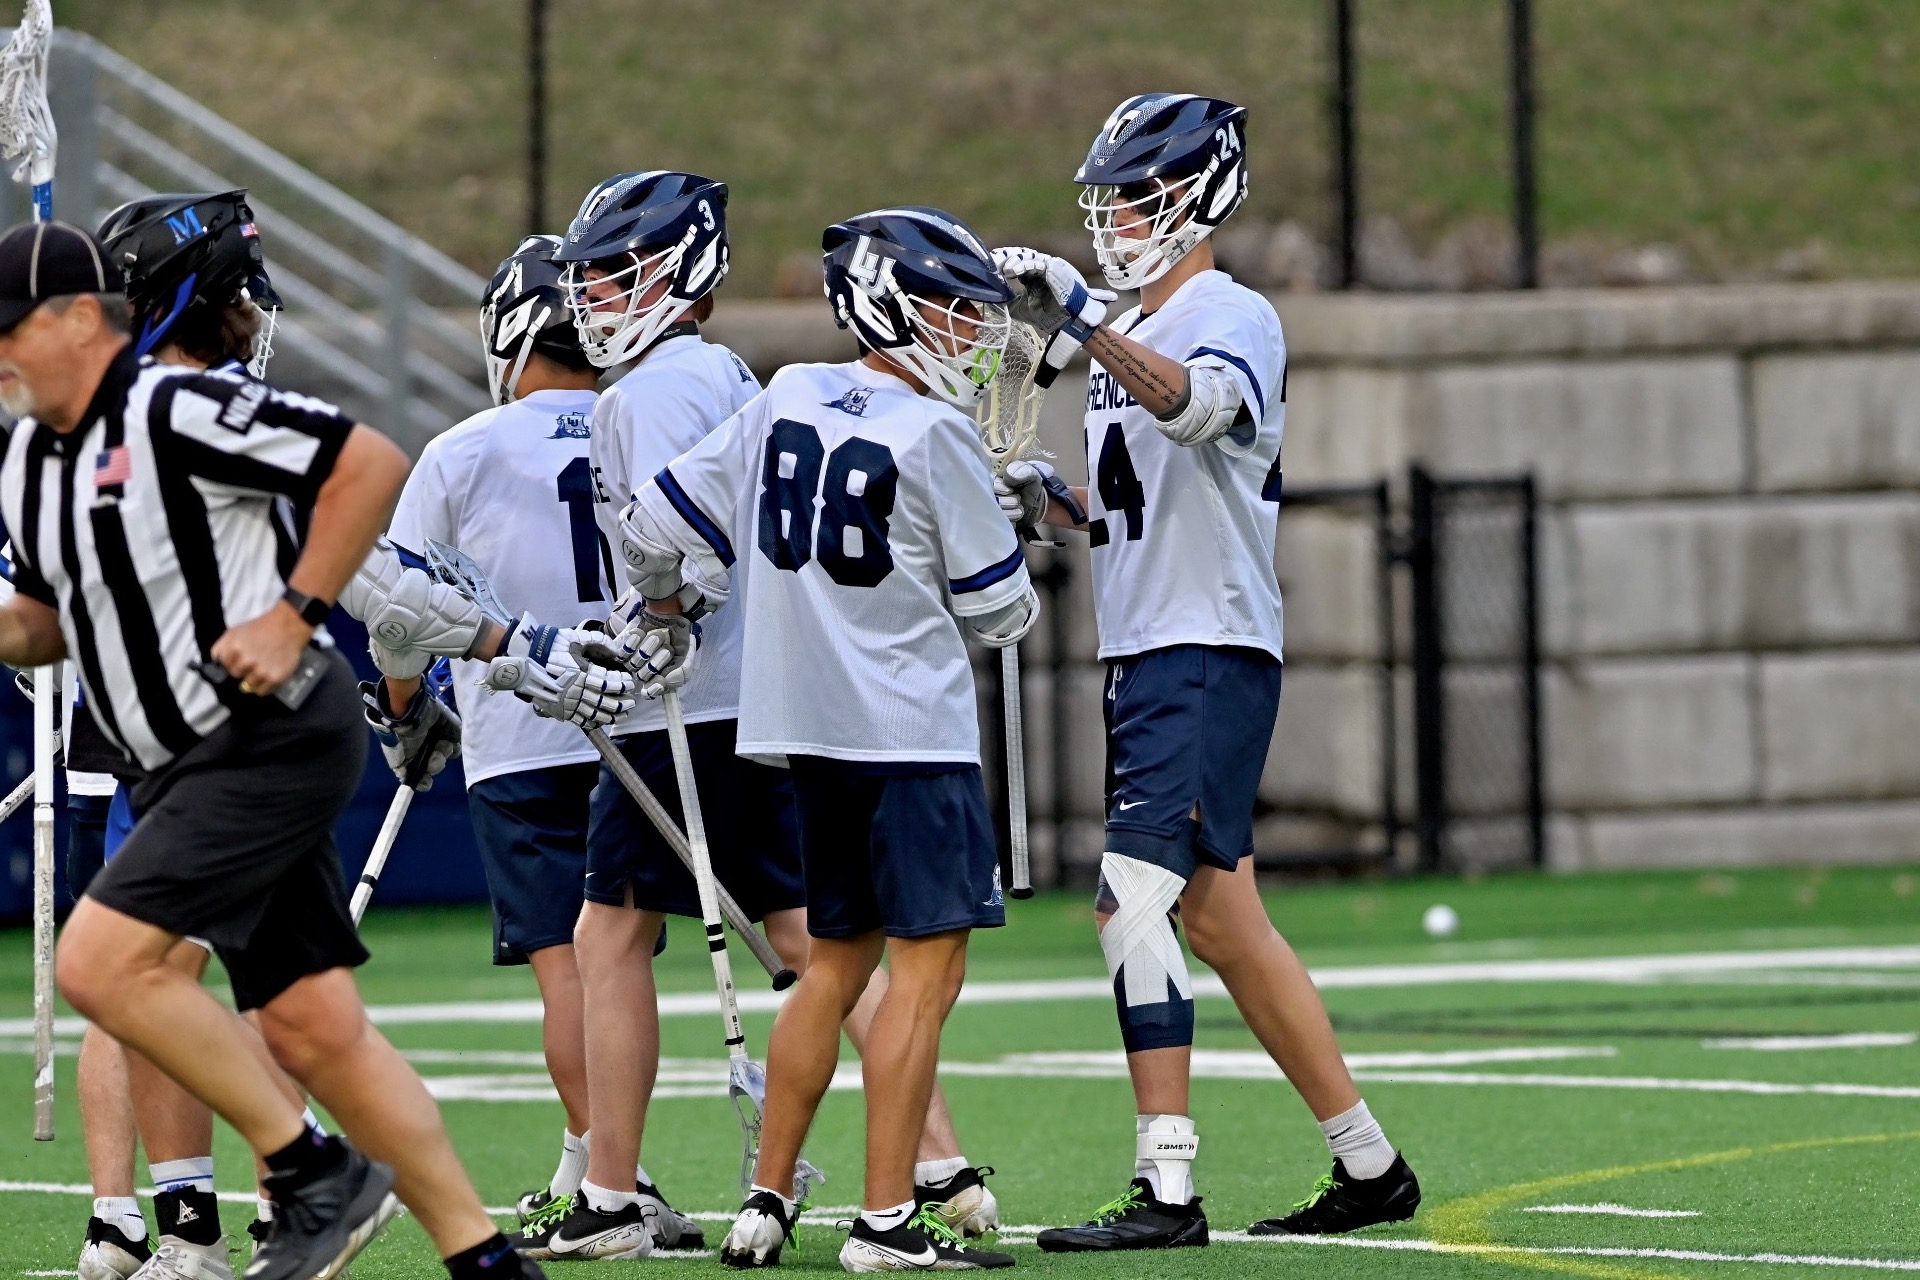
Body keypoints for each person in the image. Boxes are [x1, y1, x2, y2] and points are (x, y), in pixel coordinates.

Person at [0, 217, 543, 1280]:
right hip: (178, 758)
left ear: (79, 321)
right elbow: (41, 623)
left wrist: (294, 616)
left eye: (9, 329)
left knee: (99, 961)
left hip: (260, 735)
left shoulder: (174, 405)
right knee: (313, 1029)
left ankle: (310, 1172)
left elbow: (366, 464)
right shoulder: (26, 461)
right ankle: (486, 1260)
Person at [516, 178, 1001, 1264]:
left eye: (616, 275)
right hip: (784, 705)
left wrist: (655, 616)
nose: (594, 297)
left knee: (619, 935)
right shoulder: (735, 374)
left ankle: (612, 1189)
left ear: (679, 272)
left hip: (700, 703)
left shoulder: (660, 390)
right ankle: (934, 1165)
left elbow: (668, 539)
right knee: (815, 944)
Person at [990, 93, 1422, 1252]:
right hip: (1150, 643)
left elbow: (1199, 411)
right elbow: (1141, 499)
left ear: (1201, 195)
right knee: (1224, 922)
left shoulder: (1231, 312)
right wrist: (1052, 501)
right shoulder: (1135, 327)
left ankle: (1167, 1186)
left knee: (1128, 900)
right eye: (1111, 201)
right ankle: (1370, 1163)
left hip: (1201, 643)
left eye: (1138, 197)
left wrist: (1086, 325)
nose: (1118, 220)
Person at [58, 188, 332, 1280]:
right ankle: (211, 1215)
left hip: (208, 738)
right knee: (196, 979)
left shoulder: (123, 423)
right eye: (239, 293)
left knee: (187, 977)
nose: (255, 313)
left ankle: (228, 1213)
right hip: (201, 737)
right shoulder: (150, 422)